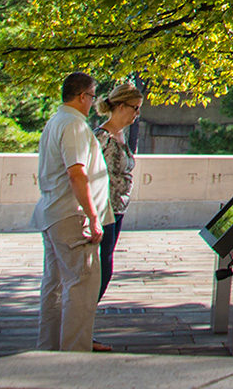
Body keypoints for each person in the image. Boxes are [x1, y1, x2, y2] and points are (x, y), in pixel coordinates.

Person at [34, 72, 112, 353]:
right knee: (81, 287)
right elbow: (76, 173)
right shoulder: (74, 125)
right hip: (71, 216)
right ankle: (75, 356)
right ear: (82, 96)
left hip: (52, 213)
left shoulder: (55, 121)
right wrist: (93, 217)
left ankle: (49, 348)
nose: (93, 103)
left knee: (54, 287)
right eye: (92, 97)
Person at [94, 82, 143, 304]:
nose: (137, 114)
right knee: (102, 269)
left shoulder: (122, 136)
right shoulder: (101, 137)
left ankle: (85, 328)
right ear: (121, 106)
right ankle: (79, 330)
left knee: (105, 267)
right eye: (135, 108)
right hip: (103, 211)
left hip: (118, 209)